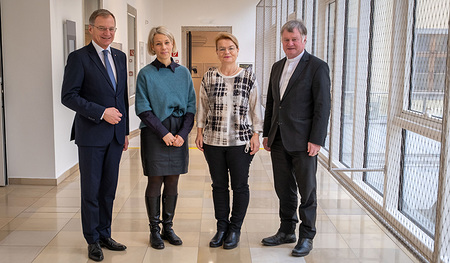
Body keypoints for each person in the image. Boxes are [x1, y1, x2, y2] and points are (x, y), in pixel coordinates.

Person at [61, 9, 129, 262]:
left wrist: (124, 131)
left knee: (108, 190)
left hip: (115, 136)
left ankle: (105, 234)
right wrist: (101, 113)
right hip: (90, 135)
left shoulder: (120, 57)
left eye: (111, 28)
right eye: (102, 28)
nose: (107, 33)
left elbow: (121, 97)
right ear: (91, 29)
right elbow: (68, 96)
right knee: (91, 190)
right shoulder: (79, 58)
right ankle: (92, 240)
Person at [261, 20, 331, 257]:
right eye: (286, 40)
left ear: (304, 39)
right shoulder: (277, 66)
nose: (290, 44)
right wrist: (267, 135)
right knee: (284, 188)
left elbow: (323, 106)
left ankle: (307, 235)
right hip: (279, 139)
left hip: (304, 142)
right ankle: (287, 229)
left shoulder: (318, 67)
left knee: (307, 191)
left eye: (294, 39)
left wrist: (317, 139)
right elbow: (272, 103)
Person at [196, 32, 263, 249]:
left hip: (240, 142)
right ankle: (221, 227)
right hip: (213, 141)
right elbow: (202, 107)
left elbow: (255, 108)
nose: (227, 52)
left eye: (231, 48)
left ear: (237, 50)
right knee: (219, 186)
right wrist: (199, 132)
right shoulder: (209, 77)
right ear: (217, 52)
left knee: (240, 186)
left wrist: (256, 135)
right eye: (222, 49)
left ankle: (235, 229)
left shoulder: (249, 77)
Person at [135, 26, 196, 250]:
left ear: (173, 45)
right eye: (158, 43)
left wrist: (182, 134)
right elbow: (142, 108)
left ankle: (168, 228)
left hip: (179, 130)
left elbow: (191, 106)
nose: (163, 47)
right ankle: (154, 230)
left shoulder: (184, 73)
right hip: (155, 131)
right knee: (155, 180)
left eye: (167, 43)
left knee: (173, 180)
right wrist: (164, 133)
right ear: (152, 46)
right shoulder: (145, 74)